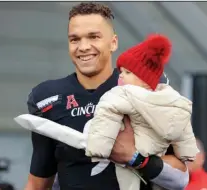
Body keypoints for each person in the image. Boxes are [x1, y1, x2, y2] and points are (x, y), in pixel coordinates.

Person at [24, 2, 189, 190]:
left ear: (113, 43)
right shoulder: (47, 98)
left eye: (93, 37)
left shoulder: (143, 85)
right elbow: (38, 182)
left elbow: (181, 178)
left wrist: (134, 157)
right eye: (74, 39)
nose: (83, 46)